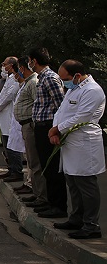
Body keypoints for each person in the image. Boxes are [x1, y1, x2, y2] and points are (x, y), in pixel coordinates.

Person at [50, 60, 105, 239]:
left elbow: (81, 117)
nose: (63, 82)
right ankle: (76, 218)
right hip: (69, 142)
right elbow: (61, 111)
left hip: (84, 143)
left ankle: (91, 225)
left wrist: (58, 129)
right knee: (73, 183)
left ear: (77, 76)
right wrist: (55, 129)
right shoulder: (73, 89)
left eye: (65, 78)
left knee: (86, 186)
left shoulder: (93, 91)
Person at [28, 47, 67, 219]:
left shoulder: (50, 78)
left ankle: (59, 206)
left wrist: (56, 129)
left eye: (30, 60)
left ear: (34, 61)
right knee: (45, 166)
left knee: (52, 168)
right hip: (41, 126)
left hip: (48, 127)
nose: (29, 63)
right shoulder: (42, 78)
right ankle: (51, 203)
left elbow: (61, 105)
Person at [13, 57, 48, 207]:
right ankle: (36, 192)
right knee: (32, 162)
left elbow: (37, 104)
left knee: (35, 163)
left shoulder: (33, 82)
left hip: (31, 125)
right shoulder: (28, 82)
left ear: (22, 68)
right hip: (26, 125)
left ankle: (41, 196)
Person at [0, 57, 21, 181]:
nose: (3, 67)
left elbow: (9, 95)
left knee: (12, 146)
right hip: (4, 118)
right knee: (6, 145)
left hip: (10, 117)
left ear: (11, 65)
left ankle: (16, 171)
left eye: (4, 64)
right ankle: (11, 169)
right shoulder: (8, 79)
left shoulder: (16, 79)